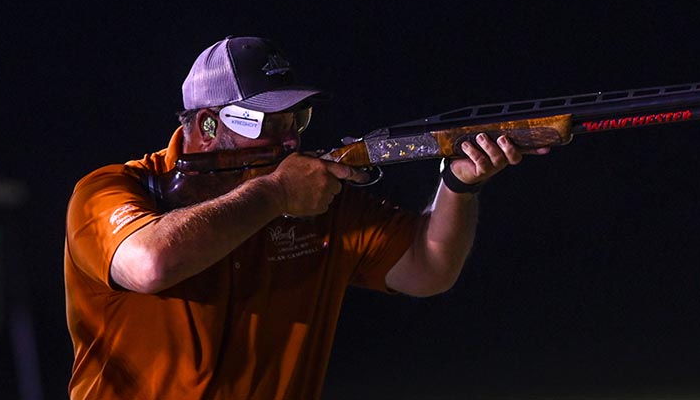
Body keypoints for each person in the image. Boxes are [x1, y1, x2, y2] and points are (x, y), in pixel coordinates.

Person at [64, 36, 546, 399]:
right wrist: (274, 195)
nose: (291, 139)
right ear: (209, 125)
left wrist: (459, 186)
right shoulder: (111, 190)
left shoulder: (315, 196)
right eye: (270, 123)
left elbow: (428, 269)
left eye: (298, 120)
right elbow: (149, 264)